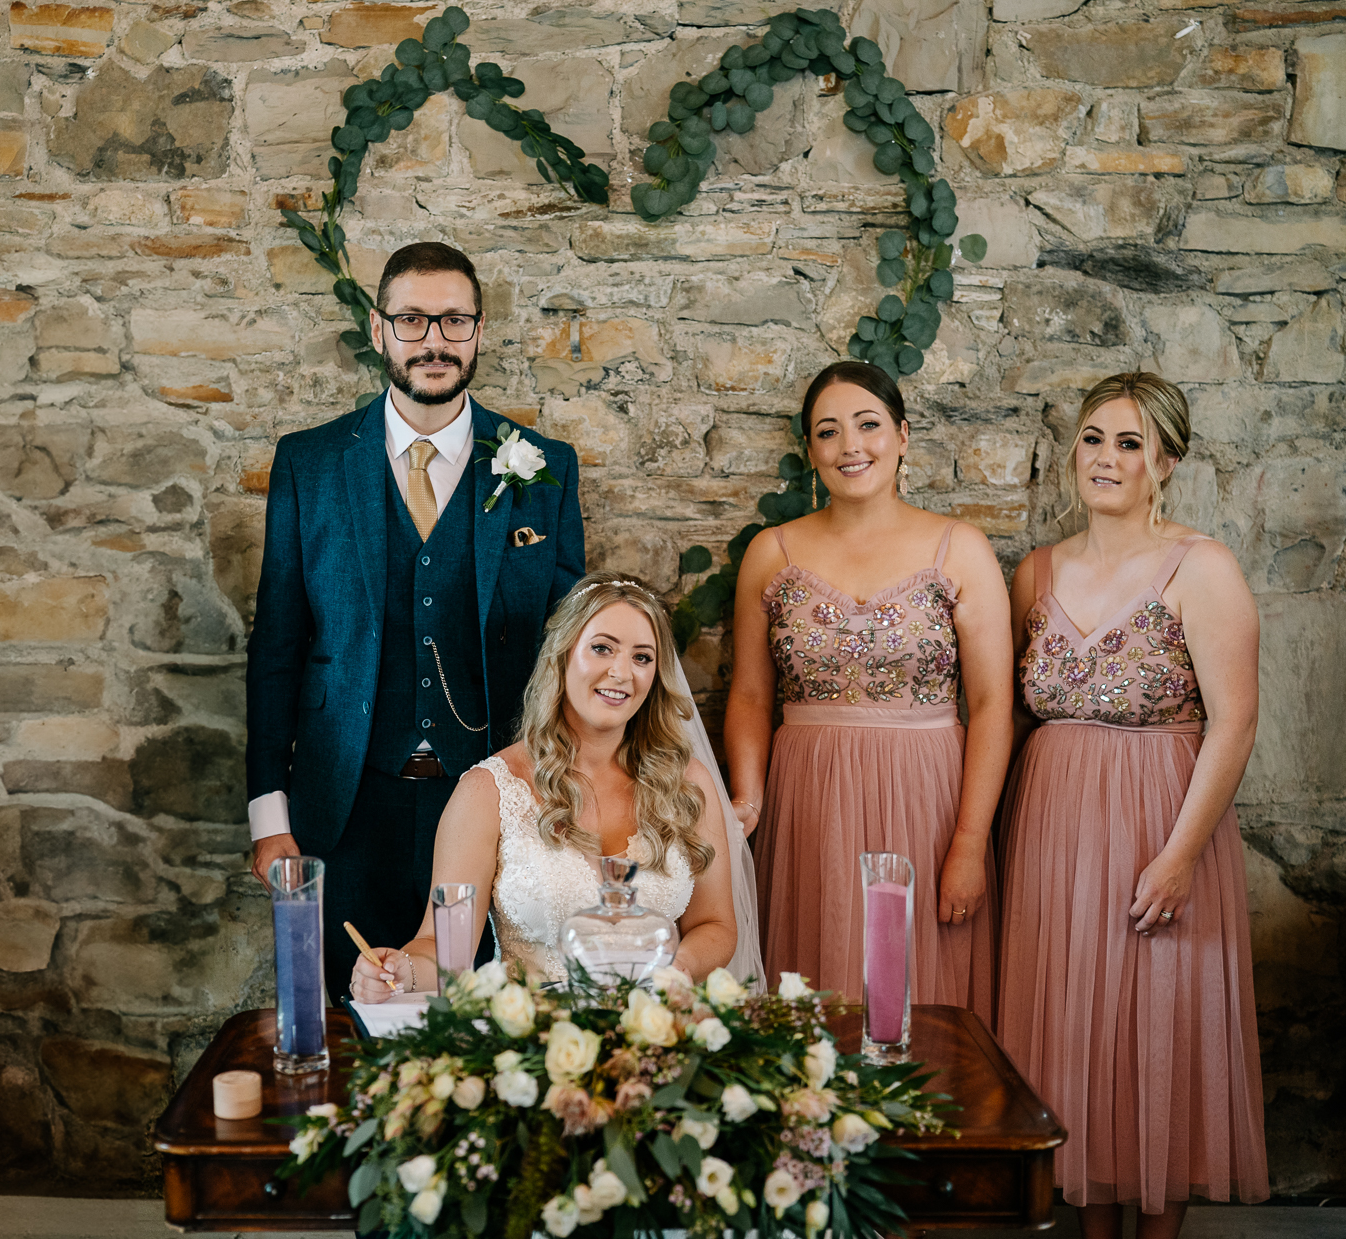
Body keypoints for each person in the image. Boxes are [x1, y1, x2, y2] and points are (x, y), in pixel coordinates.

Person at [245, 241, 585, 1006]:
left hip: (496, 804)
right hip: (343, 808)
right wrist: (271, 816)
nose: (434, 339)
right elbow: (276, 649)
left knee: (483, 1023)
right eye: (412, 319)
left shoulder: (543, 468)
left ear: (479, 330)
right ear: (379, 330)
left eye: (453, 320)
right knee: (347, 1016)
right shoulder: (311, 463)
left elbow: (568, 657)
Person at [996, 372, 1269, 1239]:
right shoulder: (1037, 570)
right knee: (1075, 1033)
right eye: (1092, 439)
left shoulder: (1203, 567)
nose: (1105, 459)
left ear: (1166, 463)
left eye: (1128, 443)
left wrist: (1182, 856)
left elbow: (1234, 722)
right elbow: (1011, 713)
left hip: (1162, 820)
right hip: (1054, 834)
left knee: (1158, 1030)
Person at [725, 360, 1012, 1016]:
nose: (850, 446)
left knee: (919, 994)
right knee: (814, 994)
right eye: (829, 432)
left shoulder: (959, 548)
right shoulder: (772, 552)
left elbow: (994, 704)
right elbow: (748, 694)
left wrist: (970, 840)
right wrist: (748, 797)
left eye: (868, 425)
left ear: (903, 436)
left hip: (929, 800)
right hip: (807, 803)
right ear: (809, 452)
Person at [350, 573, 739, 997]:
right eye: (602, 648)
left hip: (654, 1038)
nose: (622, 672)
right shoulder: (489, 792)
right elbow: (442, 948)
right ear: (563, 653)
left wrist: (676, 969)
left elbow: (714, 925)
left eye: (642, 657)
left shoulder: (687, 784)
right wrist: (401, 970)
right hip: (536, 1047)